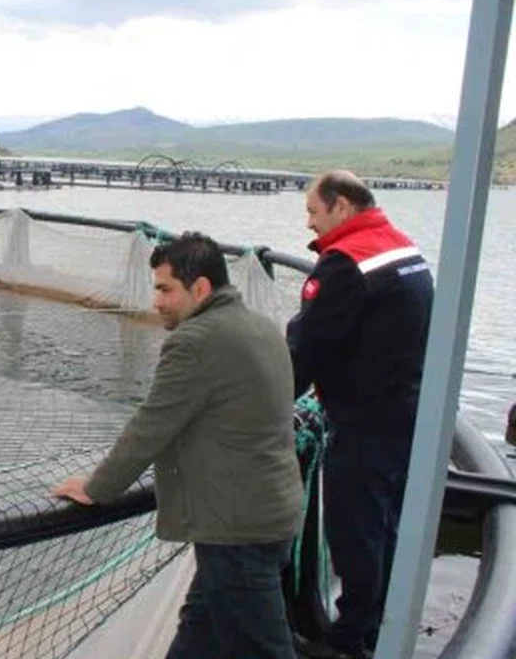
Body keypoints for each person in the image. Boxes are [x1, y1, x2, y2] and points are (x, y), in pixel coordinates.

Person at [53, 232, 303, 659]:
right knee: (198, 637)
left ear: (200, 288)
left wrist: (97, 488)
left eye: (165, 289)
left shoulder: (195, 341)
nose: (156, 301)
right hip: (270, 513)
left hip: (236, 532)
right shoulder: (261, 326)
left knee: (264, 650)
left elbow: (150, 427)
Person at [287, 170, 433, 659]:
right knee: (385, 526)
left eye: (313, 211)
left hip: (363, 422)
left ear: (342, 206)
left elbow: (306, 349)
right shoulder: (404, 248)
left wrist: (268, 407)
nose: (309, 223)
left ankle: (350, 639)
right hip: (407, 414)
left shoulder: (345, 263)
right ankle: (379, 625)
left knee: (354, 532)